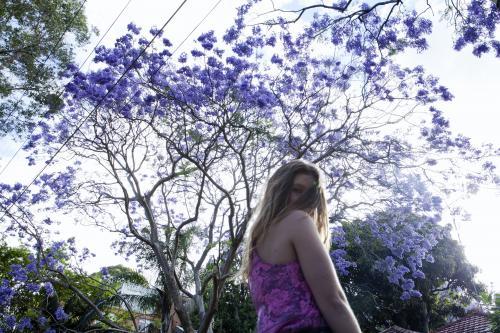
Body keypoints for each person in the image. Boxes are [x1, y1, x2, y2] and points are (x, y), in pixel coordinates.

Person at [239, 159, 362, 333]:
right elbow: (334, 301)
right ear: (279, 190)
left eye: (310, 194)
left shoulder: (255, 242)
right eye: (297, 190)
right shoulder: (298, 221)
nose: (304, 199)